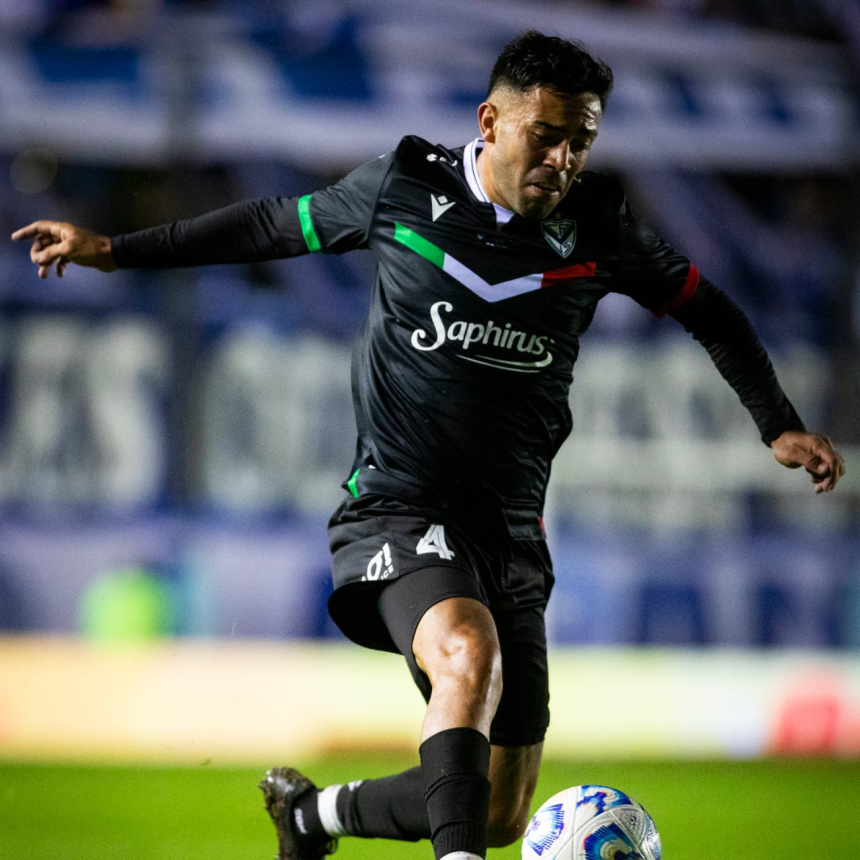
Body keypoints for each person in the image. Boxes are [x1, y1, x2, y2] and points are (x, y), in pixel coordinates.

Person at [12, 29, 844, 860]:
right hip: (397, 507)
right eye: (545, 135)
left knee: (501, 812)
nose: (562, 159)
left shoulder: (600, 227)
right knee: (466, 653)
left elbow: (707, 307)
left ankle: (312, 817)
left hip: (512, 533)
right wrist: (114, 250)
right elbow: (271, 225)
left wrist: (777, 422)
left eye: (580, 141)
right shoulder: (405, 185)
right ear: (491, 120)